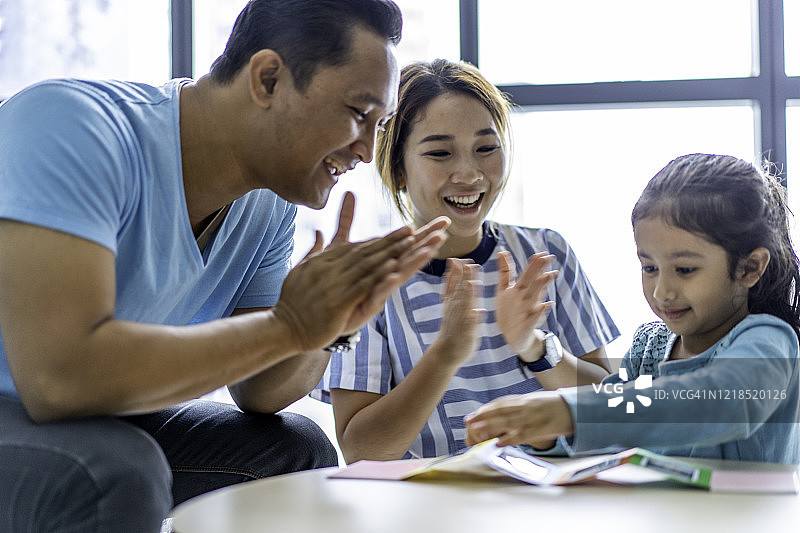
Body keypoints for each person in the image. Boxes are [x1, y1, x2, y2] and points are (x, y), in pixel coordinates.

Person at [0, 1, 453, 531]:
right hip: (36, 403)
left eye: (380, 126)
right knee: (116, 471)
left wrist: (330, 326)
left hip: (99, 419)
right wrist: (289, 324)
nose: (365, 150)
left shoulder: (268, 204)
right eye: (357, 113)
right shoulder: (74, 126)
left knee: (295, 454)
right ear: (267, 79)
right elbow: (61, 380)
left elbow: (260, 391)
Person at [312, 59, 620, 462]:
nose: (469, 173)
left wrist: (535, 347)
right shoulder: (368, 280)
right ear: (399, 170)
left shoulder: (547, 252)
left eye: (486, 148)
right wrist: (446, 353)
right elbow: (362, 450)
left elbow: (612, 408)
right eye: (440, 152)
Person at [465, 153, 800, 465]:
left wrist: (569, 412)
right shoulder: (650, 347)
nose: (662, 291)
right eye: (649, 267)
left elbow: (723, 402)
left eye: (684, 269)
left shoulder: (770, 342)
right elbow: (617, 430)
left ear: (749, 268)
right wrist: (546, 437)